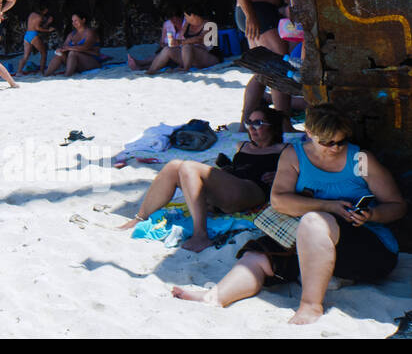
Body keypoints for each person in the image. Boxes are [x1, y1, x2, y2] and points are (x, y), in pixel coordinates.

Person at [173, 104, 405, 324]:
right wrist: (330, 206)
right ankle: (215, 296)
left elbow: (396, 205)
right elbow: (279, 201)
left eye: (341, 142)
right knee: (258, 255)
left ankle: (311, 305)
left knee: (314, 222)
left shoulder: (359, 160)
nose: (335, 147)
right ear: (310, 134)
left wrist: (371, 215)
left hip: (366, 247)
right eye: (328, 142)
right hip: (308, 240)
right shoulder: (295, 156)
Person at [120, 108, 286, 252]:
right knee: (173, 166)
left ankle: (201, 235)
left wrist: (278, 176)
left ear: (273, 127)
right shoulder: (242, 146)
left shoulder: (284, 150)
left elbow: (298, 173)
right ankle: (139, 218)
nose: (251, 127)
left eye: (258, 123)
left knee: (188, 167)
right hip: (231, 187)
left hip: (252, 190)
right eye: (249, 122)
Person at [42, 12, 101, 77]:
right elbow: (64, 47)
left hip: (91, 62)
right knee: (60, 54)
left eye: (76, 20)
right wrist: (61, 49)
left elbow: (85, 47)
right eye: (72, 21)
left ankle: (67, 76)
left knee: (73, 53)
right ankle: (46, 75)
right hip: (76, 63)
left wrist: (69, 48)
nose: (74, 23)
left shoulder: (89, 32)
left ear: (83, 20)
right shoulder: (72, 34)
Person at [15, 5, 54, 75]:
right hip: (33, 35)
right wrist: (48, 30)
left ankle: (18, 72)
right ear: (45, 10)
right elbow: (37, 28)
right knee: (44, 53)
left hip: (27, 35)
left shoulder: (32, 14)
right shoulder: (40, 17)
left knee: (25, 56)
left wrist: (48, 22)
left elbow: (34, 25)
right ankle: (41, 71)